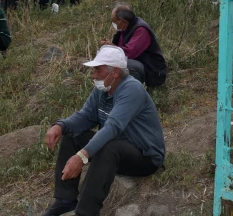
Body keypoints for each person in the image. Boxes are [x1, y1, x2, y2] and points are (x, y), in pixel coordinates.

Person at [42, 45, 165, 216]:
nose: (93, 75)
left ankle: (86, 212)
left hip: (145, 157)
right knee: (72, 134)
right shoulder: (103, 89)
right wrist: (60, 126)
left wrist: (82, 156)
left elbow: (113, 127)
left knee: (108, 146)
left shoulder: (131, 89)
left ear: (115, 72)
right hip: (118, 151)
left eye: (97, 70)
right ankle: (65, 200)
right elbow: (86, 116)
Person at [105, 4, 168, 86]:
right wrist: (110, 46)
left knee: (119, 61)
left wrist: (112, 48)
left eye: (114, 21)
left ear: (123, 21)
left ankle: (133, 87)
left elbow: (129, 53)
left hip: (152, 71)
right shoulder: (124, 28)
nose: (113, 23)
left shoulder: (141, 30)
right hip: (141, 65)